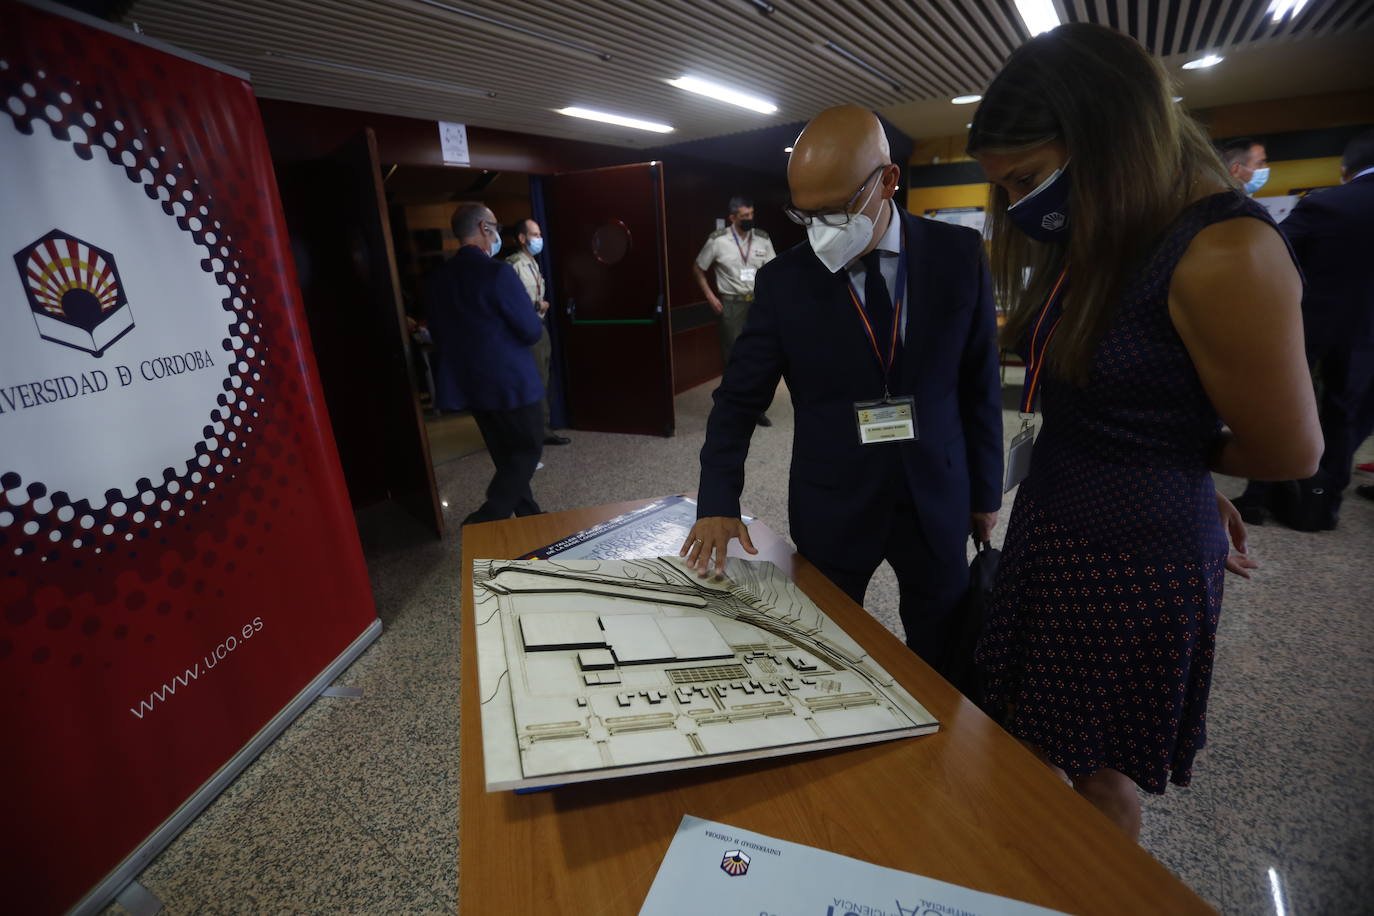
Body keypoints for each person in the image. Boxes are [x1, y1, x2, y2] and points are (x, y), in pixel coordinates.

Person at [968, 24, 1321, 840]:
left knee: (1097, 770)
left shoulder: (1226, 249)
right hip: (1058, 518)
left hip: (1130, 557)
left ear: (1102, 136)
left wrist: (1182, 465)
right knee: (1032, 733)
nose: (1019, 204)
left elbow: (1292, 449)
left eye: (1024, 178)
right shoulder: (1117, 225)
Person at [682, 106, 1004, 674]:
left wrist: (984, 494)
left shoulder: (958, 257)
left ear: (888, 181)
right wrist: (717, 501)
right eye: (807, 216)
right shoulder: (785, 281)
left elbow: (978, 384)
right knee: (826, 650)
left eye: (836, 211)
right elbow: (737, 400)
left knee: (944, 648)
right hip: (833, 497)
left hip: (936, 491)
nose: (822, 229)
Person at [1271, 130, 1374, 528]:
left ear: (1345, 168)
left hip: (1311, 325)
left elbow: (1276, 252)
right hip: (1368, 338)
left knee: (1287, 404)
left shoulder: (1325, 203)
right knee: (1347, 417)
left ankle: (1262, 494)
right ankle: (1322, 506)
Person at [426, 203, 546, 525]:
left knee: (506, 457)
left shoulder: (439, 278)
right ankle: (488, 517)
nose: (496, 233)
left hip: (472, 385)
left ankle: (530, 516)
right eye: (495, 226)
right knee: (528, 448)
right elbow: (531, 330)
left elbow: (437, 331)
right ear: (483, 228)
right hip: (511, 383)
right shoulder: (497, 273)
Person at [693, 196, 777, 425]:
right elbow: (698, 268)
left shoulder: (762, 239)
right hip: (731, 304)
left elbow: (772, 270)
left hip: (758, 303)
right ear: (732, 217)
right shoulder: (718, 241)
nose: (750, 219)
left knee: (759, 356)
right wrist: (711, 297)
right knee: (733, 358)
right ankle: (733, 407)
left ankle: (755, 408)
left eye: (751, 214)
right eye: (745, 216)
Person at [506, 217, 571, 446]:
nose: (539, 239)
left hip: (539, 327)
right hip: (525, 333)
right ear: (522, 238)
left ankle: (544, 429)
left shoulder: (533, 263)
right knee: (534, 382)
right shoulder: (513, 265)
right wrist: (536, 306)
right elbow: (510, 302)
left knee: (544, 380)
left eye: (540, 235)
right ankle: (535, 433)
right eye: (535, 235)